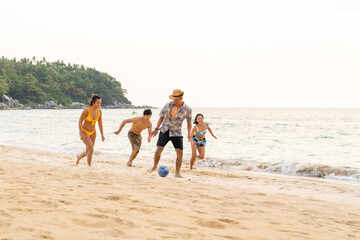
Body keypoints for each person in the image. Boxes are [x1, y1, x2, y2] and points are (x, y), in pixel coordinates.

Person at [148, 89, 192, 177]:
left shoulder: (187, 109)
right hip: (165, 130)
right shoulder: (167, 105)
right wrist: (156, 128)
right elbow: (161, 117)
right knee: (159, 149)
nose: (174, 101)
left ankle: (177, 173)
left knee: (180, 152)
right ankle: (154, 166)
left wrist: (189, 133)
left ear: (181, 98)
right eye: (173, 99)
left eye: (176, 99)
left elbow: (189, 122)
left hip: (176, 132)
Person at [76, 94, 105, 166]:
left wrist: (102, 134)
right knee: (91, 149)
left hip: (93, 132)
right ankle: (89, 166)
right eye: (98, 103)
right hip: (84, 131)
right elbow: (80, 122)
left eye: (100, 103)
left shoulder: (99, 112)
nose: (99, 104)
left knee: (88, 151)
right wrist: (81, 133)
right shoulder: (86, 111)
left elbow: (100, 123)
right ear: (93, 102)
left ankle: (79, 158)